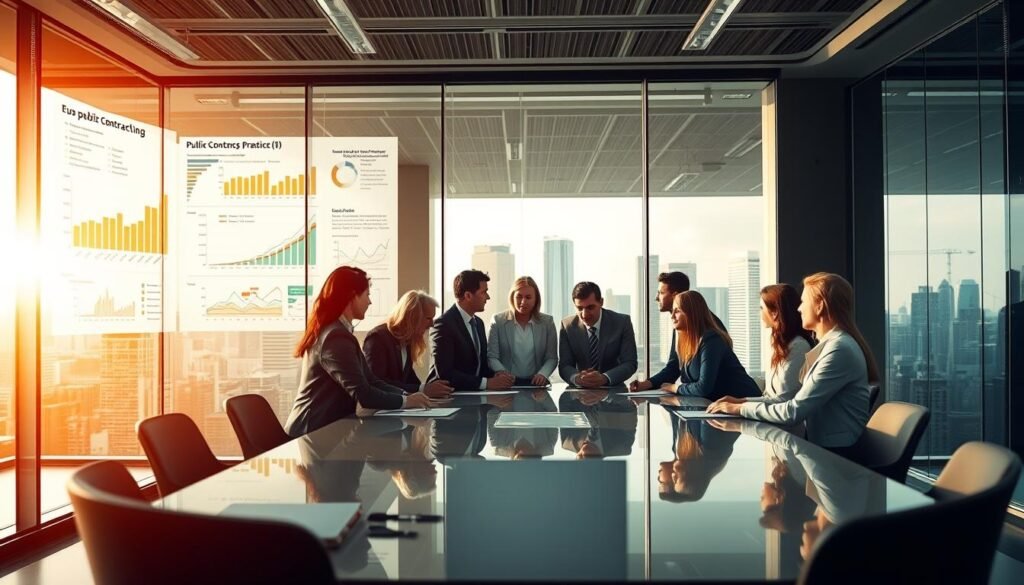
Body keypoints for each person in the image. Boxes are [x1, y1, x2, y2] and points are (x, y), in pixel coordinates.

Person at [708, 273, 879, 450]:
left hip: (837, 457)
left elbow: (793, 411)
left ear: (819, 306)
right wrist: (740, 402)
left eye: (804, 302)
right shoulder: (831, 346)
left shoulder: (838, 349)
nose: (799, 309)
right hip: (823, 449)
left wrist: (739, 409)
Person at [284, 266, 435, 437]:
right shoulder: (335, 337)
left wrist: (407, 395)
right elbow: (364, 394)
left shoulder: (340, 332)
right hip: (312, 433)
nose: (370, 302)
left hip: (329, 433)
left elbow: (372, 381)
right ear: (352, 296)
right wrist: (406, 401)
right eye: (367, 295)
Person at [630, 271, 726, 392]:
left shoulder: (709, 331)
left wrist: (675, 388)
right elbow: (674, 367)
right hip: (705, 400)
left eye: (661, 293)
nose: (656, 297)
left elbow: (706, 384)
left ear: (675, 295)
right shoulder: (681, 327)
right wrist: (647, 384)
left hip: (728, 399)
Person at [658, 291, 760, 400]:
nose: (672, 316)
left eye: (677, 311)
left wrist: (675, 388)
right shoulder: (687, 343)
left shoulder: (711, 340)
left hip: (745, 403)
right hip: (723, 405)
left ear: (692, 313)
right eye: (673, 311)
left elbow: (703, 388)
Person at [427, 270, 515, 391]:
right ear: (468, 295)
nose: (488, 297)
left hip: (473, 395)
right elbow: (445, 373)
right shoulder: (443, 325)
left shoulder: (478, 323)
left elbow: (480, 367)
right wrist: (487, 383)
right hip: (447, 398)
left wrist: (496, 376)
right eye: (484, 292)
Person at [364, 290, 453, 398]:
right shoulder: (377, 338)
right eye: (428, 318)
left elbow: (409, 378)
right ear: (412, 317)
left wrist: (430, 390)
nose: (432, 324)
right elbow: (377, 382)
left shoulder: (406, 340)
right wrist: (422, 389)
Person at [558, 281, 638, 387]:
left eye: (590, 307)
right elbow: (564, 365)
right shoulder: (567, 326)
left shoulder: (622, 322)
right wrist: (577, 378)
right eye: (580, 308)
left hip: (614, 393)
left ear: (601, 302)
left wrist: (604, 378)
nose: (584, 314)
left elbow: (630, 362)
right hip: (581, 393)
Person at [486, 276, 558, 386]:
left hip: (536, 384)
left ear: (536, 299)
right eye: (519, 297)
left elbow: (552, 358)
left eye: (528, 297)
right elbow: (492, 356)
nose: (523, 302)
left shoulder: (547, 322)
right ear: (512, 298)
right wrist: (503, 373)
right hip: (507, 383)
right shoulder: (498, 321)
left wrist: (543, 374)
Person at [759, 284, 814, 401]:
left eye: (761, 308)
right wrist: (741, 402)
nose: (760, 313)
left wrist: (741, 406)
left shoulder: (799, 347)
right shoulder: (778, 345)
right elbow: (769, 397)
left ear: (775, 313)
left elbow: (785, 399)